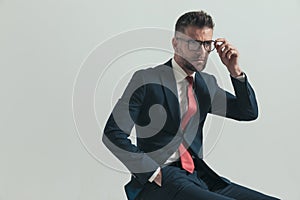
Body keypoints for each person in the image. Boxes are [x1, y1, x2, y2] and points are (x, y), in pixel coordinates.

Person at [103, 11, 280, 200]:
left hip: (197, 175)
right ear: (176, 44)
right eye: (194, 43)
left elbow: (248, 112)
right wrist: (153, 172)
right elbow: (113, 133)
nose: (202, 52)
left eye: (207, 44)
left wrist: (234, 71)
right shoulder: (147, 80)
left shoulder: (206, 85)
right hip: (162, 179)